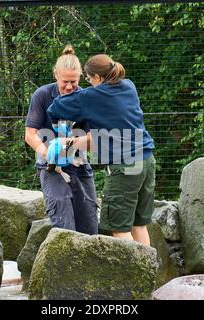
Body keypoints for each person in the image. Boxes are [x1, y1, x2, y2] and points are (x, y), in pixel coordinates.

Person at [47, 54, 156, 246]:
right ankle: (151, 274)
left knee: (120, 229)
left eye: (88, 80)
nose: (89, 83)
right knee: (139, 225)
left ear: (96, 78)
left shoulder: (91, 96)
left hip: (125, 168)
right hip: (147, 161)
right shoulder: (129, 86)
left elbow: (55, 108)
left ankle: (134, 275)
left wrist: (76, 97)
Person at [24, 45, 98, 235]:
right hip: (51, 167)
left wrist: (68, 146)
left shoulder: (87, 98)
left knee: (90, 227)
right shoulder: (42, 95)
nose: (68, 86)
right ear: (56, 75)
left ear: (80, 76)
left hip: (79, 164)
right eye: (65, 81)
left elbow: (95, 138)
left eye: (73, 81)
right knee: (64, 224)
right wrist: (47, 152)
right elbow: (30, 134)